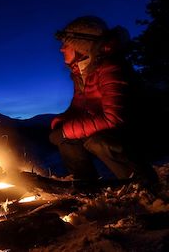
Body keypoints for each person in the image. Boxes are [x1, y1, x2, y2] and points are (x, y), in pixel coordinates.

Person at [49, 16, 157, 184]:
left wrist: (66, 130)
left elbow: (114, 119)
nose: (61, 49)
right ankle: (86, 185)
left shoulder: (110, 69)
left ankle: (140, 181)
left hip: (140, 133)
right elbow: (79, 106)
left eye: (66, 44)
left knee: (96, 141)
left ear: (81, 46)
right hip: (112, 130)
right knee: (66, 137)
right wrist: (62, 122)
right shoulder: (82, 72)